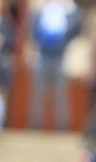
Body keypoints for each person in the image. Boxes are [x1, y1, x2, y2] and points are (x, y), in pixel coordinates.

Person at [30, 0, 81, 131]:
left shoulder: (72, 12)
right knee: (38, 95)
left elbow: (77, 30)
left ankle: (62, 129)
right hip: (42, 57)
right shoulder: (41, 10)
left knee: (62, 96)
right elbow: (33, 31)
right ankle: (35, 128)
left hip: (62, 58)